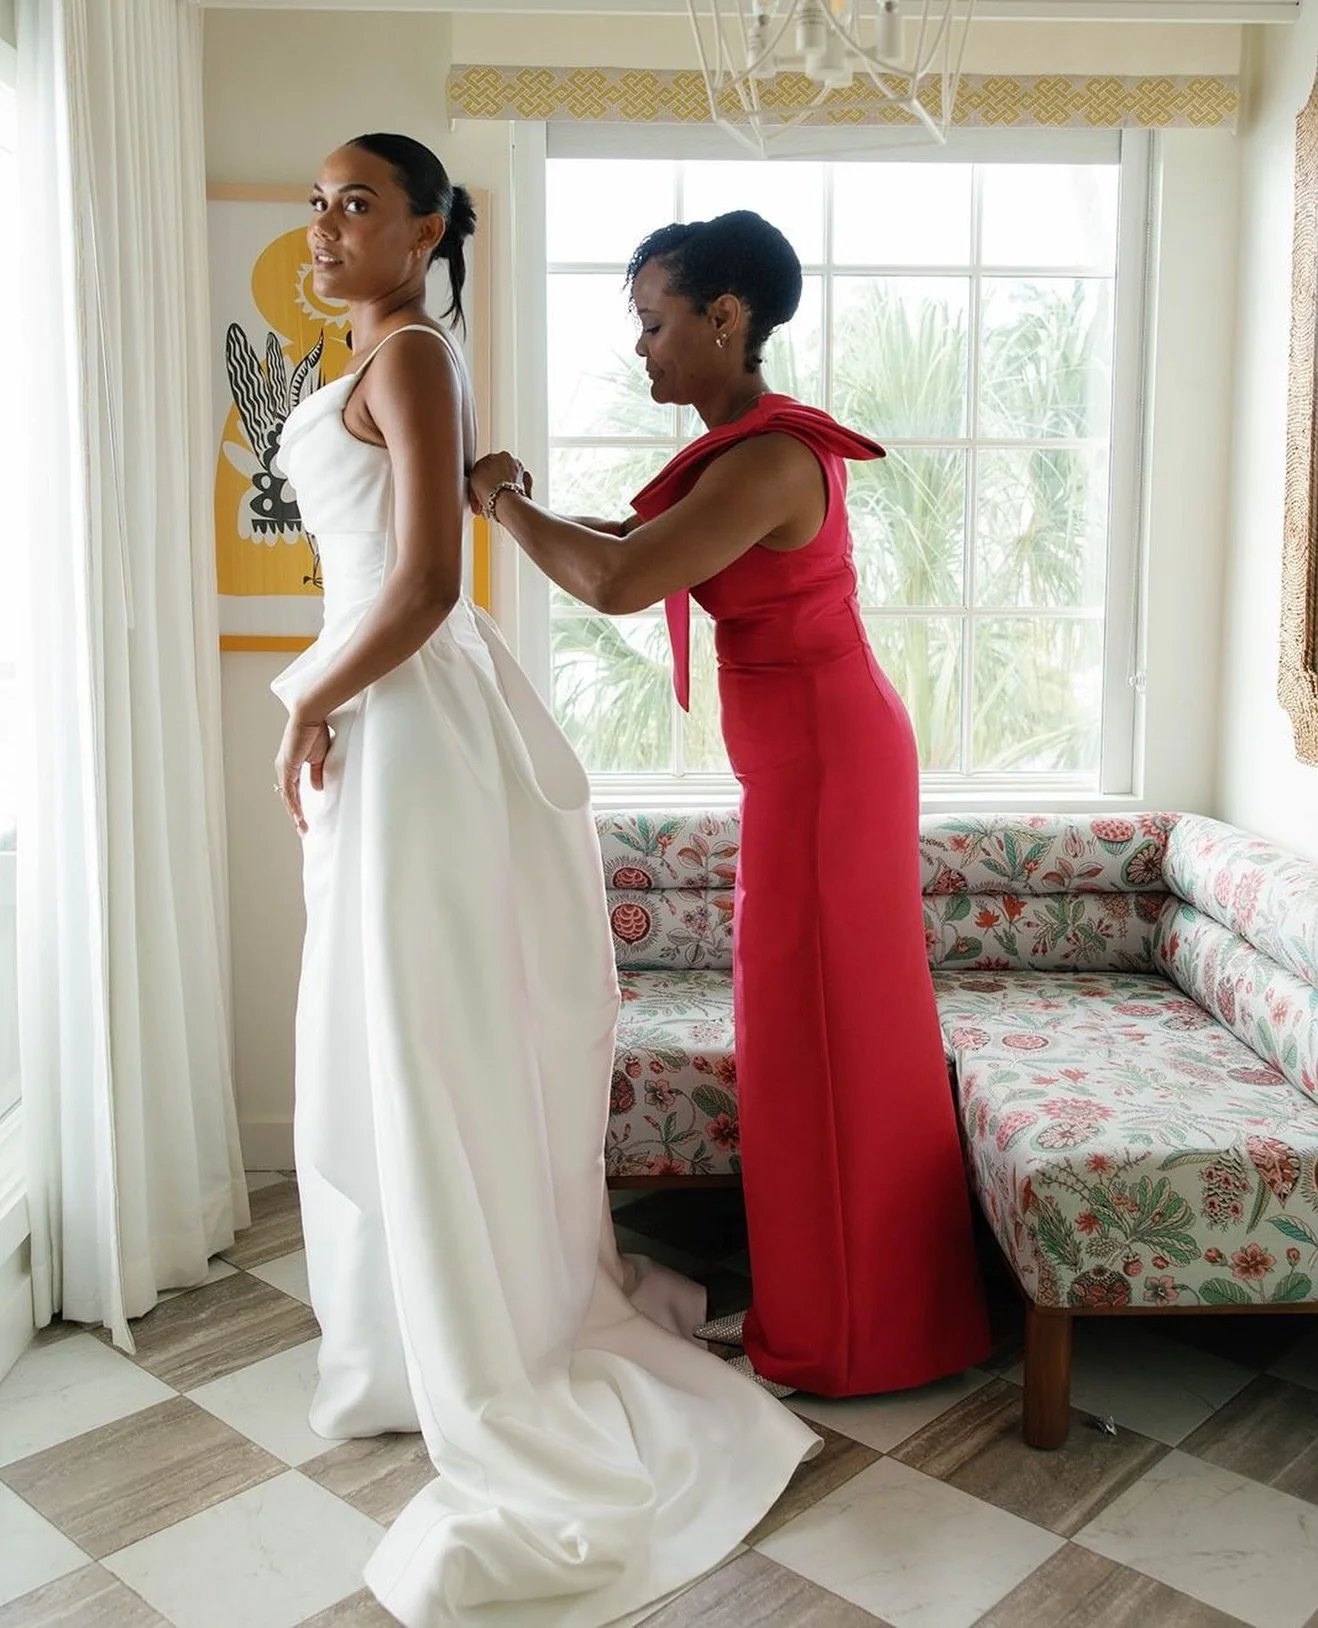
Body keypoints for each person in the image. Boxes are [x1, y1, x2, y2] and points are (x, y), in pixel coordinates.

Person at [270, 139, 817, 1628]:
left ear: (427, 230)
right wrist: (327, 698)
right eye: (317, 203)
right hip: (389, 714)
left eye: (358, 204)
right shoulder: (373, 359)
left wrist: (312, 695)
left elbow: (427, 581)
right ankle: (406, 1337)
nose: (325, 225)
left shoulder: (414, 356)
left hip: (408, 714)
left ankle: (472, 1341)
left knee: (424, 1032)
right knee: (387, 1027)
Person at [469, 210, 991, 1399]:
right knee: (807, 1042)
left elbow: (616, 577)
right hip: (809, 773)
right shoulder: (741, 454)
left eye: (653, 323)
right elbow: (631, 538)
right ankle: (840, 1304)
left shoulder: (765, 460)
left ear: (722, 317)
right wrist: (522, 504)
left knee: (826, 1043)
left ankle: (855, 1332)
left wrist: (499, 503)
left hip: (828, 777)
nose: (640, 348)